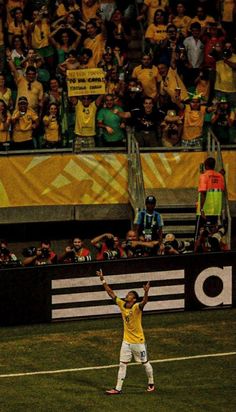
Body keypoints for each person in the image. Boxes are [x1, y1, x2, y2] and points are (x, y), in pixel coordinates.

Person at [96, 269, 155, 394]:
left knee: (145, 363)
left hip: (138, 342)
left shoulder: (136, 307)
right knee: (122, 364)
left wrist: (146, 292)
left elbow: (144, 302)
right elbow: (111, 293)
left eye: (129, 295)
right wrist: (102, 279)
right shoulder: (122, 304)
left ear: (133, 299)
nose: (127, 295)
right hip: (126, 341)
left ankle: (151, 383)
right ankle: (118, 388)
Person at [196, 156, 225, 236]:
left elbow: (203, 193)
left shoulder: (203, 176)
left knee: (200, 233)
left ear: (205, 165)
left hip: (205, 210)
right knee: (213, 233)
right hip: (216, 210)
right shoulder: (220, 176)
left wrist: (201, 209)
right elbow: (220, 188)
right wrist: (220, 174)